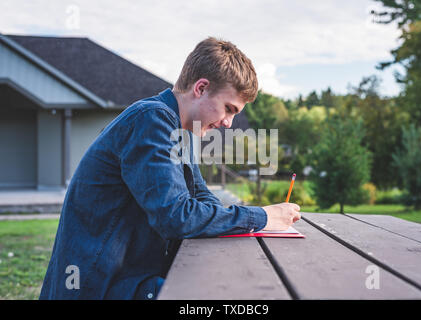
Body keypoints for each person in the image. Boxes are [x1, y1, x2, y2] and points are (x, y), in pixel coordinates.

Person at [39, 37, 301, 300]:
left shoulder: (180, 130)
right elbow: (176, 217)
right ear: (201, 88)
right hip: (99, 286)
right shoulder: (152, 119)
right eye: (228, 109)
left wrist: (253, 219)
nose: (229, 123)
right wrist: (263, 217)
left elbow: (201, 198)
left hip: (130, 278)